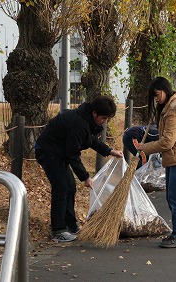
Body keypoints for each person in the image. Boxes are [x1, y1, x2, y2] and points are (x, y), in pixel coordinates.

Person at [34, 96, 124, 242]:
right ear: (94, 113)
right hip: (48, 151)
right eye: (104, 118)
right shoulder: (79, 123)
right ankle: (58, 230)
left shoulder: (87, 120)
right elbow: (73, 155)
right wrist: (85, 177)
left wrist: (109, 151)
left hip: (59, 153)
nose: (104, 122)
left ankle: (71, 225)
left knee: (70, 187)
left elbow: (91, 140)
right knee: (61, 187)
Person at [136, 77, 176, 248]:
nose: (156, 98)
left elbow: (167, 142)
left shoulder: (174, 112)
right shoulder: (169, 108)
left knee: (174, 197)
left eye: (157, 94)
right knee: (174, 196)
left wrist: (145, 147)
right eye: (153, 96)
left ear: (164, 90)